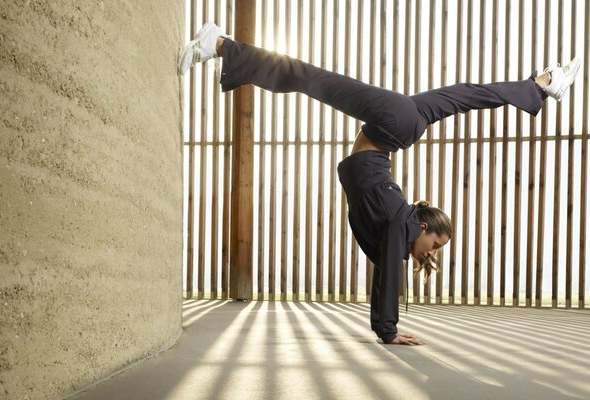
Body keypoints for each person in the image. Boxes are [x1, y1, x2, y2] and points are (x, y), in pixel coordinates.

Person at [179, 22, 582, 346]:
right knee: (308, 77)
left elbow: (390, 262)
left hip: (400, 123)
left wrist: (408, 270)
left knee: (464, 96)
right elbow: (388, 272)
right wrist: (387, 330)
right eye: (436, 244)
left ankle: (543, 83)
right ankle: (222, 45)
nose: (432, 252)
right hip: (394, 124)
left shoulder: (400, 225)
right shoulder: (403, 222)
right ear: (423, 227)